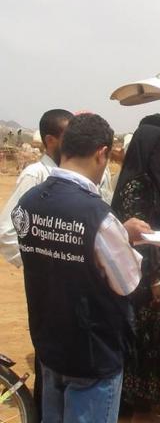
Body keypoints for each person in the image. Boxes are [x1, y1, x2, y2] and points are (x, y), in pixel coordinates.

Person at [12, 113, 147, 422]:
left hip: (50, 347)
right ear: (102, 153)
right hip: (92, 357)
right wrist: (123, 238)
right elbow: (127, 282)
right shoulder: (97, 215)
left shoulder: (29, 202)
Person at [111, 124, 160, 417]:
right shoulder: (140, 185)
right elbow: (140, 236)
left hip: (135, 275)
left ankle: (133, 403)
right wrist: (156, 280)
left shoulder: (136, 181)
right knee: (141, 340)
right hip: (141, 279)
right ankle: (136, 405)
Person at [0, 109, 73, 268]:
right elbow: (6, 231)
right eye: (69, 138)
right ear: (50, 140)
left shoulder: (70, 175)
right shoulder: (35, 175)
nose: (75, 143)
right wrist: (37, 265)